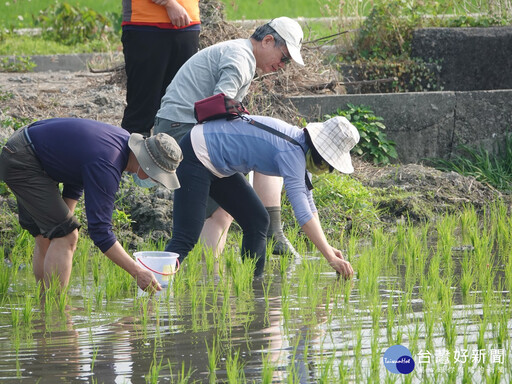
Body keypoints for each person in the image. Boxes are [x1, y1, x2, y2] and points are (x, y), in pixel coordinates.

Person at [154, 17, 305, 258]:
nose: (283, 65)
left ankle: (211, 281)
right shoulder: (240, 59)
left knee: (225, 212)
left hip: (183, 126)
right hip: (180, 129)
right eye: (284, 57)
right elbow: (219, 108)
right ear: (268, 41)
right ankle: (209, 282)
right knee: (218, 214)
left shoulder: (241, 53)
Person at [0, 118, 183, 292]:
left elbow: (77, 170)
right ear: (148, 165)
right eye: (158, 175)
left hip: (23, 147)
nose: (156, 180)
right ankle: (56, 312)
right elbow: (100, 231)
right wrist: (137, 272)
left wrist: (65, 217)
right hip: (24, 161)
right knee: (66, 235)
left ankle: (46, 308)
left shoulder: (120, 143)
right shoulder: (108, 163)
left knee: (49, 235)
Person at [166, 115, 359, 278]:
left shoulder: (302, 149)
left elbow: (309, 203)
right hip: (197, 155)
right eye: (326, 165)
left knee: (257, 220)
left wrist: (327, 247)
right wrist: (330, 257)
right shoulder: (292, 151)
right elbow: (302, 215)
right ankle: (154, 285)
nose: (324, 169)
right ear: (319, 153)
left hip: (220, 165)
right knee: (186, 237)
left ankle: (253, 287)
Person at [121, 0, 200, 136]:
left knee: (180, 110)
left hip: (188, 25)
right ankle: (132, 156)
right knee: (142, 111)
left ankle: (170, 156)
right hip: (146, 25)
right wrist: (169, 3)